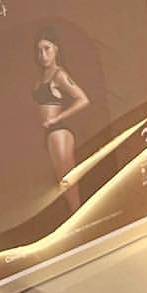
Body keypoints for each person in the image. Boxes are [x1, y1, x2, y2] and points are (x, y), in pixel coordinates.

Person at [32, 29, 89, 215]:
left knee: (67, 180)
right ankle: (76, 218)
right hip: (50, 134)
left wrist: (58, 117)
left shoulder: (59, 75)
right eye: (39, 50)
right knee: (61, 182)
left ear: (56, 49)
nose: (43, 55)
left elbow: (83, 99)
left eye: (47, 49)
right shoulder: (42, 78)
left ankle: (79, 218)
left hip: (59, 132)